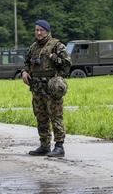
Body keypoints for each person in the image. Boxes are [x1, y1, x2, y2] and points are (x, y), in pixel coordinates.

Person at [21, 19, 71, 158]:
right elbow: (26, 63)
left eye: (41, 30)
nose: (38, 32)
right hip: (37, 88)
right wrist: (24, 72)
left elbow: (67, 65)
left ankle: (59, 146)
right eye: (36, 30)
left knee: (56, 117)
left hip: (52, 88)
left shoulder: (57, 46)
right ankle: (44, 145)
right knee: (41, 117)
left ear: (47, 31)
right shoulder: (33, 47)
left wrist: (53, 57)